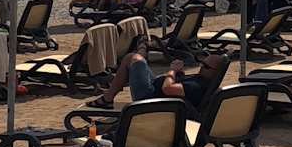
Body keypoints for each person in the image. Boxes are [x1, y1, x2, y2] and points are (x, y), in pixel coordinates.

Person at [89, 43, 228, 112]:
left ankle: (108, 97)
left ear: (214, 72)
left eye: (206, 66)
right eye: (202, 63)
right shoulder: (203, 82)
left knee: (134, 59)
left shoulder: (198, 86)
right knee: (134, 59)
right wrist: (179, 74)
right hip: (155, 92)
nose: (201, 66)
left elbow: (168, 88)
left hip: (149, 100)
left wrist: (172, 70)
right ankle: (109, 95)